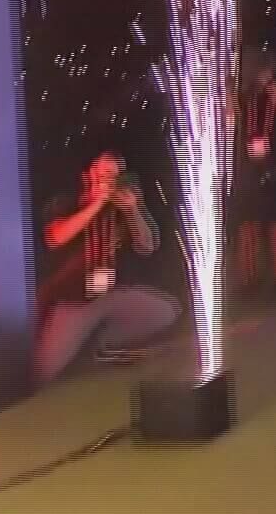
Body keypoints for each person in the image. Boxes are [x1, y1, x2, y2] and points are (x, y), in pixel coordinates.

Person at [35, 152, 181, 384]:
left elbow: (147, 246)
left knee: (165, 311)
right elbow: (56, 237)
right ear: (87, 175)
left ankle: (98, 345)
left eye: (112, 175)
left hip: (111, 293)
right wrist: (96, 204)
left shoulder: (123, 205)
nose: (106, 180)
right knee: (44, 370)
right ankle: (77, 347)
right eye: (101, 173)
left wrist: (133, 211)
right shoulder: (68, 201)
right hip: (73, 300)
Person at [232, 46, 276, 300]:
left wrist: (267, 82)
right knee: (247, 223)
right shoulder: (241, 96)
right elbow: (227, 117)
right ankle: (248, 277)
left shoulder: (275, 92)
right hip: (247, 166)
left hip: (275, 164)